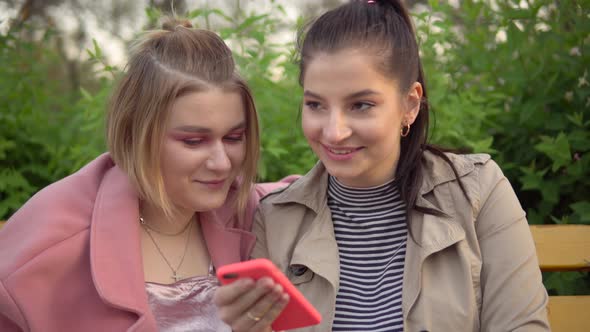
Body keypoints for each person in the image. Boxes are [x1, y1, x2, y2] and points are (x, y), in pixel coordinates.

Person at [213, 1, 550, 331]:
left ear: (410, 105)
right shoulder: (276, 219)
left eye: (361, 105)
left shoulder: (478, 192)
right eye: (316, 104)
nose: (334, 131)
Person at [0, 18, 293, 332]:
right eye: (193, 141)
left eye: (234, 138)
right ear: (134, 133)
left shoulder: (255, 210)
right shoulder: (41, 251)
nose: (222, 163)